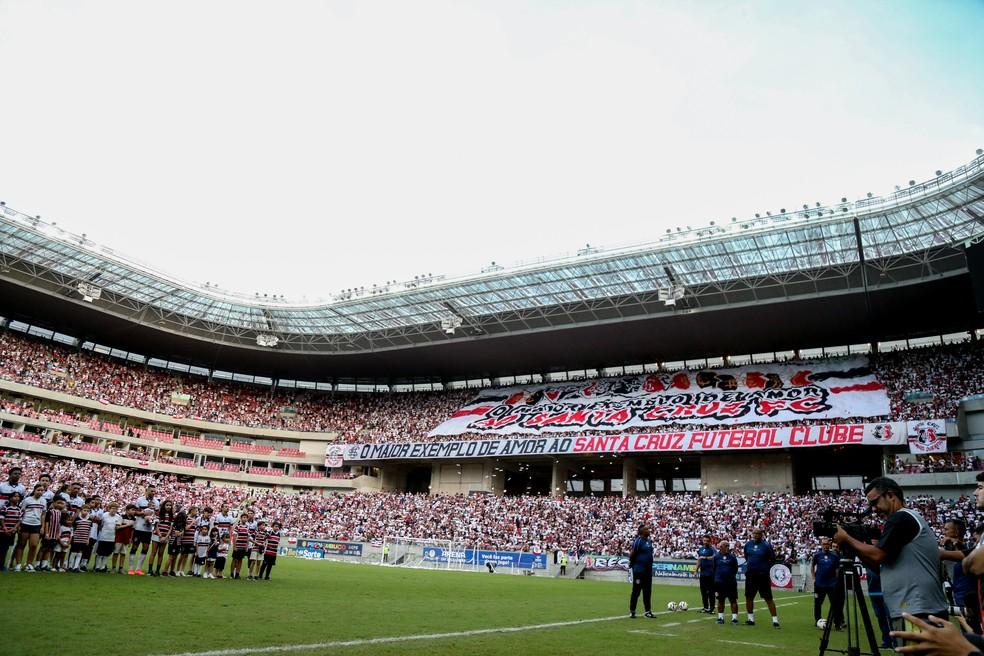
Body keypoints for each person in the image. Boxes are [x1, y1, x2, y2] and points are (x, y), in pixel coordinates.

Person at [833, 476, 949, 629]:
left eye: (875, 502)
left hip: (917, 609)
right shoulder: (908, 518)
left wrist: (847, 539)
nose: (873, 509)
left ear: (891, 495)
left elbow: (878, 554)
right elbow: (879, 565)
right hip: (918, 607)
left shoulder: (901, 517)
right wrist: (853, 545)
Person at [743, 527, 781, 628]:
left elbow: (772, 559)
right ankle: (750, 619)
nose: (755, 535)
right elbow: (746, 556)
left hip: (762, 575)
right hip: (751, 575)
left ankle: (775, 621)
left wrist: (764, 568)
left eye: (758, 533)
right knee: (749, 597)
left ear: (762, 535)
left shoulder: (766, 545)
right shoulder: (748, 544)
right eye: (754, 533)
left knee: (768, 598)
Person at [865, 538, 895, 649]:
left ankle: (895, 641)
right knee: (880, 617)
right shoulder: (868, 557)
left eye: (875, 540)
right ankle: (886, 641)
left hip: (885, 592)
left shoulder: (884, 556)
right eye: (871, 541)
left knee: (889, 617)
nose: (873, 543)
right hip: (873, 593)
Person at [13, 483, 47, 571]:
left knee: (34, 545)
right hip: (25, 523)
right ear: (34, 490)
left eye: (42, 490)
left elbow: (43, 515)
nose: (40, 492)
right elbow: (21, 512)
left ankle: (29, 564)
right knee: (21, 544)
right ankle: (18, 564)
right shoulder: (27, 500)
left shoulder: (43, 501)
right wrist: (19, 524)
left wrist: (42, 527)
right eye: (38, 490)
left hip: (36, 525)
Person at [812, 537, 844, 629]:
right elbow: (812, 566)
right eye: (824, 544)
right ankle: (817, 620)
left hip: (831, 584)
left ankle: (837, 623)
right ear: (821, 545)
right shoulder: (817, 555)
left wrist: (836, 580)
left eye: (827, 544)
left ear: (829, 545)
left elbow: (837, 569)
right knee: (817, 604)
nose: (826, 546)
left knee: (835, 604)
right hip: (819, 585)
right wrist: (814, 578)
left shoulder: (834, 556)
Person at [628, 523, 657, 619]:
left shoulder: (649, 541)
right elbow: (632, 554)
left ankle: (648, 611)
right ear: (642, 532)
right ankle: (632, 611)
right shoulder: (638, 541)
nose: (649, 530)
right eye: (647, 529)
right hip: (639, 571)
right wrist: (633, 564)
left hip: (648, 571)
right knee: (636, 591)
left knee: (647, 591)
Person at [713, 540, 740, 625]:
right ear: (720, 547)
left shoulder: (732, 557)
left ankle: (734, 619)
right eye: (725, 545)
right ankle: (720, 618)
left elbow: (735, 569)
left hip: (731, 582)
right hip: (719, 583)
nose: (728, 547)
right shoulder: (716, 557)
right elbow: (714, 569)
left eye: (728, 545)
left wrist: (730, 576)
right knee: (720, 600)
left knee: (733, 600)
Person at [0, 490, 23, 570]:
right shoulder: (5, 508)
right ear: (10, 498)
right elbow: (2, 519)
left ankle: (2, 564)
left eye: (18, 497)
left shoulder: (19, 509)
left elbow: (19, 520)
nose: (17, 498)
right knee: (2, 548)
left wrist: (14, 528)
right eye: (15, 496)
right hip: (3, 532)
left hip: (12, 532)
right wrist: (5, 529)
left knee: (5, 548)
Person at [695, 535, 716, 613]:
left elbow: (715, 557)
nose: (706, 542)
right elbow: (699, 560)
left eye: (707, 540)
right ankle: (705, 607)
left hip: (711, 574)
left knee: (711, 591)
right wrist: (696, 570)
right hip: (703, 574)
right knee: (703, 591)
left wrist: (705, 558)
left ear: (710, 541)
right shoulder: (701, 549)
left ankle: (712, 608)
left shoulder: (712, 549)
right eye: (704, 540)